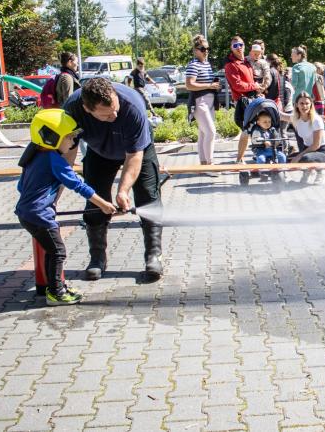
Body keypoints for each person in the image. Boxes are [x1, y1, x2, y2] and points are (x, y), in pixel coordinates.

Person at [62, 78, 165, 282]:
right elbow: (68, 152)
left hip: (139, 151)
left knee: (148, 196)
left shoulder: (132, 106)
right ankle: (97, 259)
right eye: (107, 114)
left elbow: (134, 156)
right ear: (87, 109)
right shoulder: (73, 109)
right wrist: (58, 187)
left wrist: (123, 190)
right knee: (94, 203)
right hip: (99, 153)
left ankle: (153, 256)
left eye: (115, 109)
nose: (115, 115)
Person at [16, 109, 117, 305]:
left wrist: (45, 203)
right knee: (58, 252)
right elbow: (78, 185)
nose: (72, 143)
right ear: (52, 137)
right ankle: (56, 293)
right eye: (69, 138)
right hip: (39, 216)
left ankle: (53, 288)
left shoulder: (33, 154)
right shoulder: (54, 159)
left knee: (51, 250)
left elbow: (21, 186)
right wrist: (104, 204)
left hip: (27, 213)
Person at [185, 34, 220, 165]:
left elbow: (205, 82)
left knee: (204, 134)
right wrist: (209, 85)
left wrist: (214, 85)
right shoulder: (193, 64)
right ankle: (210, 164)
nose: (206, 51)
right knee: (211, 132)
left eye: (207, 48)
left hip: (209, 101)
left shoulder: (207, 64)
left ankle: (204, 164)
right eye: (203, 49)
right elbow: (189, 85)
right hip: (200, 101)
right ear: (195, 50)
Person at [226, 36, 262, 163]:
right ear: (231, 48)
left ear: (244, 45)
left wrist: (258, 90)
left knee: (255, 128)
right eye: (235, 46)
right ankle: (240, 159)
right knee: (247, 129)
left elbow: (250, 80)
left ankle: (247, 157)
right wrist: (254, 86)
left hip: (253, 99)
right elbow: (237, 85)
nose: (238, 47)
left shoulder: (247, 62)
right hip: (243, 102)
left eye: (240, 44)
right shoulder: (230, 65)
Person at [279, 92, 325, 184]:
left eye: (307, 103)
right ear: (296, 105)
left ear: (311, 105)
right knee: (286, 160)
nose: (304, 106)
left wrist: (298, 156)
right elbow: (281, 116)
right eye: (301, 103)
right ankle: (308, 171)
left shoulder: (316, 120)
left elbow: (315, 145)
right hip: (307, 151)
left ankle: (321, 171)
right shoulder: (296, 119)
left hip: (320, 152)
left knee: (304, 159)